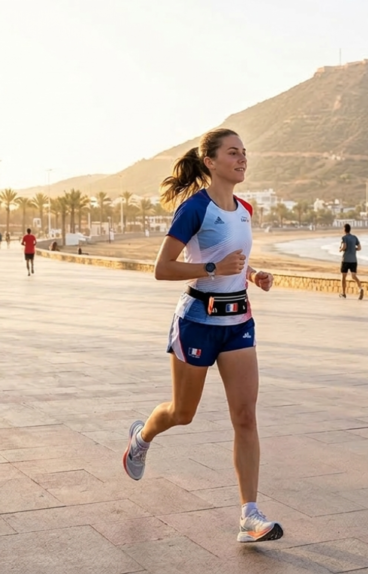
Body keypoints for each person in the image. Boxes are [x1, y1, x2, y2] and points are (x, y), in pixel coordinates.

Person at [122, 129, 282, 544]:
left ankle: (250, 516)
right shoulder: (195, 208)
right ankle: (141, 438)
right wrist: (214, 270)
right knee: (182, 412)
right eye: (233, 153)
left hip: (238, 322)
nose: (242, 159)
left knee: (245, 416)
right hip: (195, 321)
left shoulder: (244, 208)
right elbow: (163, 267)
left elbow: (233, 259)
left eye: (245, 152)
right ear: (210, 161)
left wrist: (251, 274)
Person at [339, 223, 364, 300]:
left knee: (343, 276)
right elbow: (359, 248)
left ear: (344, 229)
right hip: (353, 260)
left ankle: (344, 293)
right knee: (354, 276)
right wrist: (354, 249)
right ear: (350, 229)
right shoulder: (354, 237)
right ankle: (360, 288)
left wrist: (340, 249)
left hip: (346, 259)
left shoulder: (344, 238)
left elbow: (344, 246)